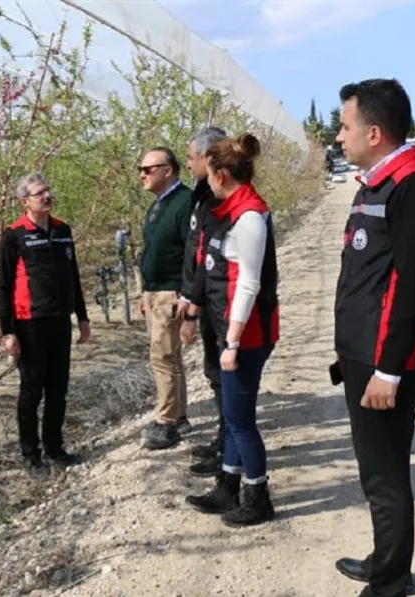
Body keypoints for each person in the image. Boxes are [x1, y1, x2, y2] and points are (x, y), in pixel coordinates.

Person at [331, 78, 415, 597]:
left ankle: (391, 583)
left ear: (374, 132)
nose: (338, 137)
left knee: (384, 475)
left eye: (344, 126)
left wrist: (389, 369)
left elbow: (413, 292)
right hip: (364, 354)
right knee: (375, 468)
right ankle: (386, 559)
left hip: (386, 362)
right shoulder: (379, 182)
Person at [184, 133, 280, 527]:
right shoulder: (232, 211)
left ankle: (257, 496)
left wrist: (234, 341)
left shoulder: (250, 217)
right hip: (231, 328)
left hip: (247, 333)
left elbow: (249, 283)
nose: (205, 183)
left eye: (207, 174)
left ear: (221, 175)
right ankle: (228, 485)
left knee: (240, 420)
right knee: (233, 413)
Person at [0, 172, 92, 480]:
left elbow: (73, 276)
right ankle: (30, 454)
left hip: (59, 322)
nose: (47, 196)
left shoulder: (63, 230)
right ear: (25, 201)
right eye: (39, 193)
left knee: (58, 389)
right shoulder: (14, 235)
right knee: (31, 392)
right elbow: (2, 286)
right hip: (29, 324)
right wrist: (7, 331)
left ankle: (55, 448)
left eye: (48, 191)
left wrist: (83, 317)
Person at [177, 126, 228, 477]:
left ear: (209, 158)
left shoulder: (219, 199)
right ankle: (225, 441)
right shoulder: (200, 193)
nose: (188, 164)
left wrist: (193, 308)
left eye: (192, 158)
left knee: (223, 376)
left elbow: (209, 258)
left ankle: (230, 448)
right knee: (214, 374)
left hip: (215, 302)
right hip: (203, 297)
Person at [136, 146, 194, 450]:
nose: (142, 175)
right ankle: (179, 415)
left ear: (167, 170)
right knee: (170, 357)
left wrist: (186, 293)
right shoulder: (158, 205)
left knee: (163, 358)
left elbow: (190, 252)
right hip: (157, 291)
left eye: (148, 169)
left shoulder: (184, 202)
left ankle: (167, 422)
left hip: (172, 292)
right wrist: (146, 291)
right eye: (141, 170)